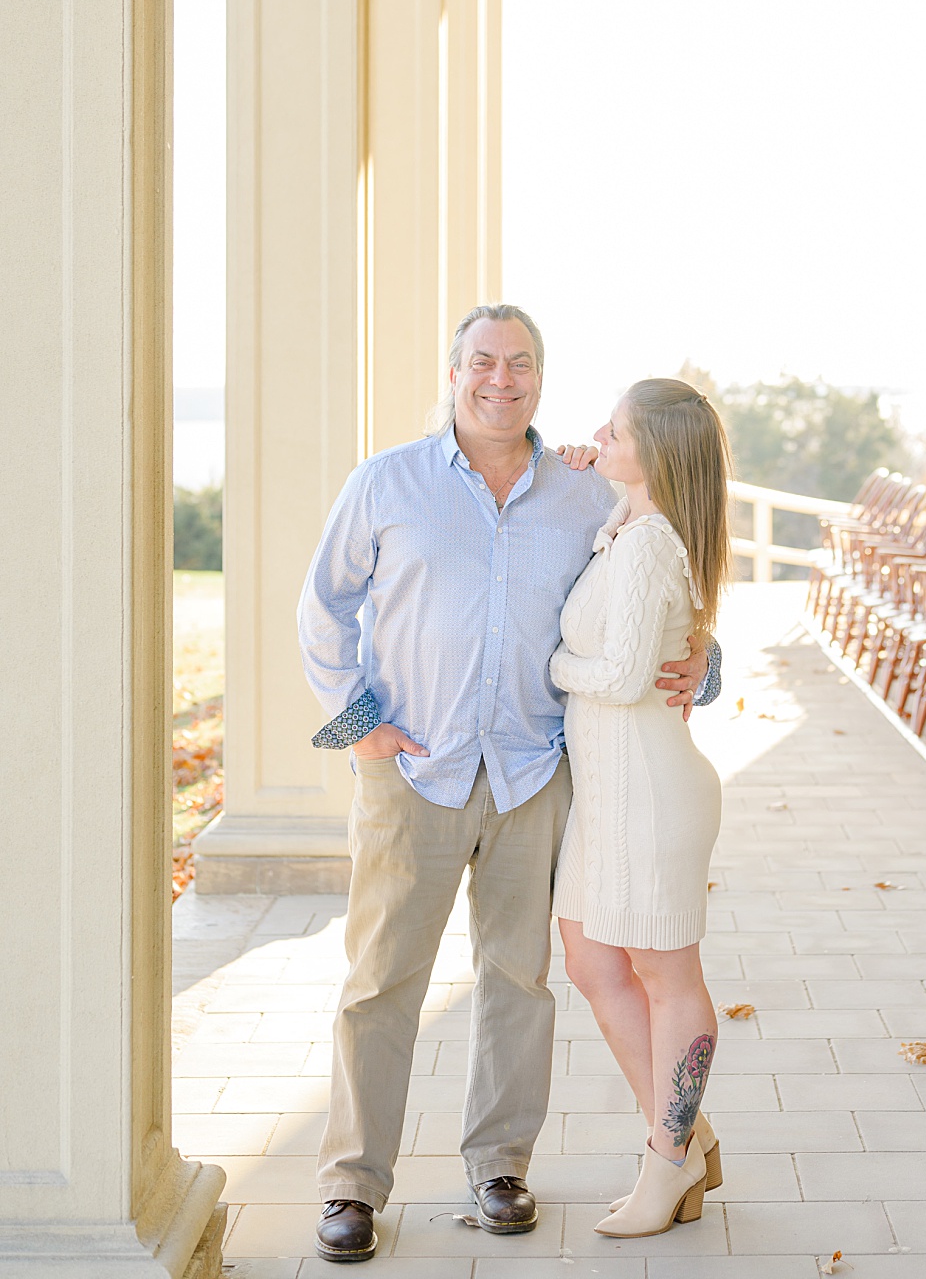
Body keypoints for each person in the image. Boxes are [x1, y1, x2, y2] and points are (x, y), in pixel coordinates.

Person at [301, 306, 717, 1263]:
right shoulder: (387, 482)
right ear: (453, 372)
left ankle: (500, 1167)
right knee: (380, 983)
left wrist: (706, 660)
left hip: (538, 774)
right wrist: (361, 727)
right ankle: (353, 1185)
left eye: (520, 363)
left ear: (540, 377)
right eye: (483, 361)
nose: (502, 378)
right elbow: (321, 606)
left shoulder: (583, 491)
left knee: (518, 983)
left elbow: (656, 586)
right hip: (416, 772)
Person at [553, 379, 732, 1237]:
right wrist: (588, 469)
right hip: (608, 793)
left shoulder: (654, 541)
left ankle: (667, 1160)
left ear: (654, 453)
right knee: (590, 959)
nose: (597, 434)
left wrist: (553, 666)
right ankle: (685, 1136)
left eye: (615, 429)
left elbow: (623, 678)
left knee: (669, 977)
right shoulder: (623, 522)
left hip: (653, 794)